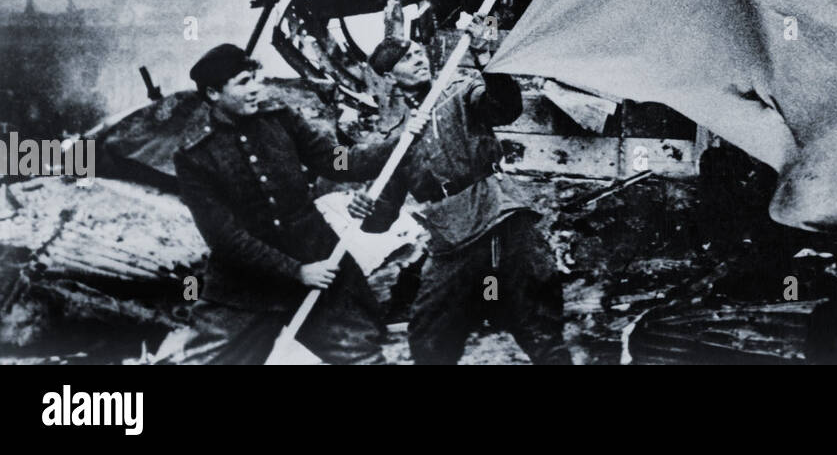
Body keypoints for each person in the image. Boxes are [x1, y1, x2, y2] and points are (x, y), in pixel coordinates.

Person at [173, 43, 424, 364]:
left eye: (256, 78)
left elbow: (337, 161)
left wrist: (398, 144)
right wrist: (296, 271)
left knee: (361, 356)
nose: (256, 89)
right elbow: (224, 238)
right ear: (213, 93)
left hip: (319, 263)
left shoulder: (279, 119)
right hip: (245, 286)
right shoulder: (196, 155)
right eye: (243, 82)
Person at [360, 32, 571, 364]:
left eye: (418, 51)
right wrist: (361, 207)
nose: (418, 58)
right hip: (453, 240)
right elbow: (379, 219)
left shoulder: (459, 89)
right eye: (406, 58)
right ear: (388, 76)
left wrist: (485, 59)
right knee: (429, 340)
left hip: (502, 220)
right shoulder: (393, 137)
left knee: (539, 329)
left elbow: (505, 108)